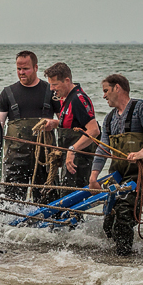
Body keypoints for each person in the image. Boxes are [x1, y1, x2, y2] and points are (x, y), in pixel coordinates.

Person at [89, 74, 143, 256]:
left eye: (106, 91)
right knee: (109, 221)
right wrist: (93, 177)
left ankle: (125, 261)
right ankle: (116, 259)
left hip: (137, 175)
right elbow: (103, 150)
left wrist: (141, 153)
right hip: (117, 175)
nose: (104, 96)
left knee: (124, 215)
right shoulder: (109, 119)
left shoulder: (141, 109)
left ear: (118, 88)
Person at [0, 50, 56, 202]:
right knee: (11, 201)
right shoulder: (7, 93)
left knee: (46, 200)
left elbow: (65, 121)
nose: (21, 72)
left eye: (25, 68)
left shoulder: (50, 90)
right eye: (18, 69)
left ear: (36, 67)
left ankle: (46, 225)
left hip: (44, 158)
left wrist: (53, 123)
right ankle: (12, 227)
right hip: (15, 157)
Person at [39, 62, 99, 190]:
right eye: (50, 84)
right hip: (70, 160)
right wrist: (54, 123)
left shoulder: (78, 99)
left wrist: (73, 149)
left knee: (71, 200)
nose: (51, 89)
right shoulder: (65, 98)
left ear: (67, 80)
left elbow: (94, 130)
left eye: (54, 84)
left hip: (79, 162)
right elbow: (72, 124)